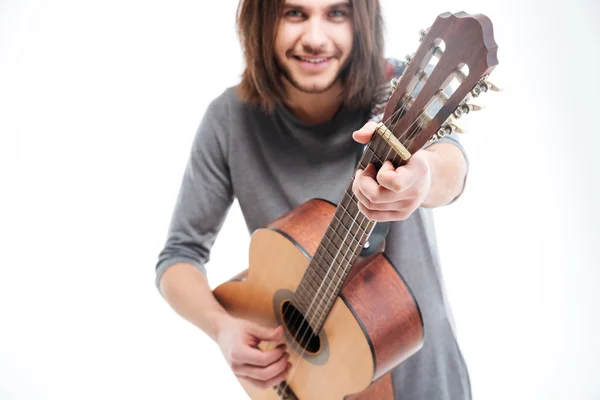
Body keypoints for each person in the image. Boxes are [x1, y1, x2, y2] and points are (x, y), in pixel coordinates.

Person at [155, 0, 471, 398]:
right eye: (295, 13)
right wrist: (222, 327)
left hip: (421, 378)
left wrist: (423, 181)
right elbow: (179, 256)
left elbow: (451, 166)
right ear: (261, 20)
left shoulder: (397, 92)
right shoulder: (228, 120)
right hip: (302, 380)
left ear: (361, 21)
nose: (316, 39)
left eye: (336, 13)